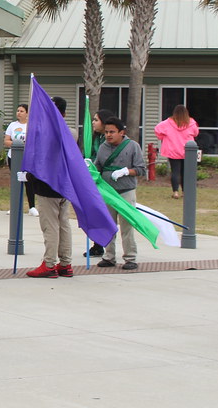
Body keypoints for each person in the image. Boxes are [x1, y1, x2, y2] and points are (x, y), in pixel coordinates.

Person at [27, 96, 77, 279]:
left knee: (51, 226)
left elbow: (39, 159)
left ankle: (49, 263)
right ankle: (65, 263)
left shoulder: (42, 134)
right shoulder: (72, 133)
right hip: (65, 184)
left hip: (47, 184)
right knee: (64, 224)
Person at [95, 117, 146, 271]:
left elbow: (141, 169)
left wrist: (126, 171)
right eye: (106, 132)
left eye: (112, 132)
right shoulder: (103, 147)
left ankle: (130, 257)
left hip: (125, 191)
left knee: (126, 225)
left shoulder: (132, 146)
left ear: (121, 132)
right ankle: (109, 256)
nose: (109, 135)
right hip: (107, 192)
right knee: (107, 225)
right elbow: (98, 167)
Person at [82, 108, 115, 257]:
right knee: (94, 212)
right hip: (92, 179)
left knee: (107, 214)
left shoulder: (110, 140)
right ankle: (97, 244)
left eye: (96, 120)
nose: (93, 123)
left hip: (105, 181)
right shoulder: (94, 139)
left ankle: (107, 246)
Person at [154, 104, 199, 199]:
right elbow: (195, 133)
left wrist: (163, 137)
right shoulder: (191, 122)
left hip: (172, 150)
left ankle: (175, 192)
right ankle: (185, 192)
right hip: (187, 151)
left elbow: (157, 130)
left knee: (175, 171)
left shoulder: (167, 123)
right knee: (185, 172)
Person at [4, 104, 37, 216]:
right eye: (17, 110)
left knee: (29, 181)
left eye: (21, 111)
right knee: (16, 181)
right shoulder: (12, 125)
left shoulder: (31, 125)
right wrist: (18, 144)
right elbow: (7, 141)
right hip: (14, 157)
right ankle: (14, 206)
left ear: (27, 113)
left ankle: (32, 207)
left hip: (28, 158)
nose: (18, 113)